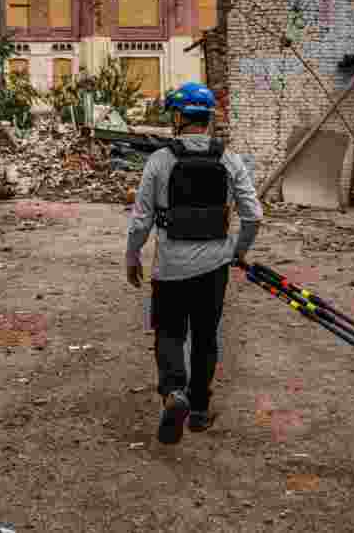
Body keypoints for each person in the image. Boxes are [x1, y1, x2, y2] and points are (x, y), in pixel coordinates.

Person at [126, 81, 263, 444]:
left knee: (170, 332)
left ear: (178, 118)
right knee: (205, 337)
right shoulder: (229, 159)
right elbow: (253, 215)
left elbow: (141, 219)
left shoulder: (159, 161)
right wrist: (238, 250)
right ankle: (199, 412)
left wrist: (132, 254)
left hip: (170, 269)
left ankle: (174, 394)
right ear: (208, 119)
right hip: (214, 268)